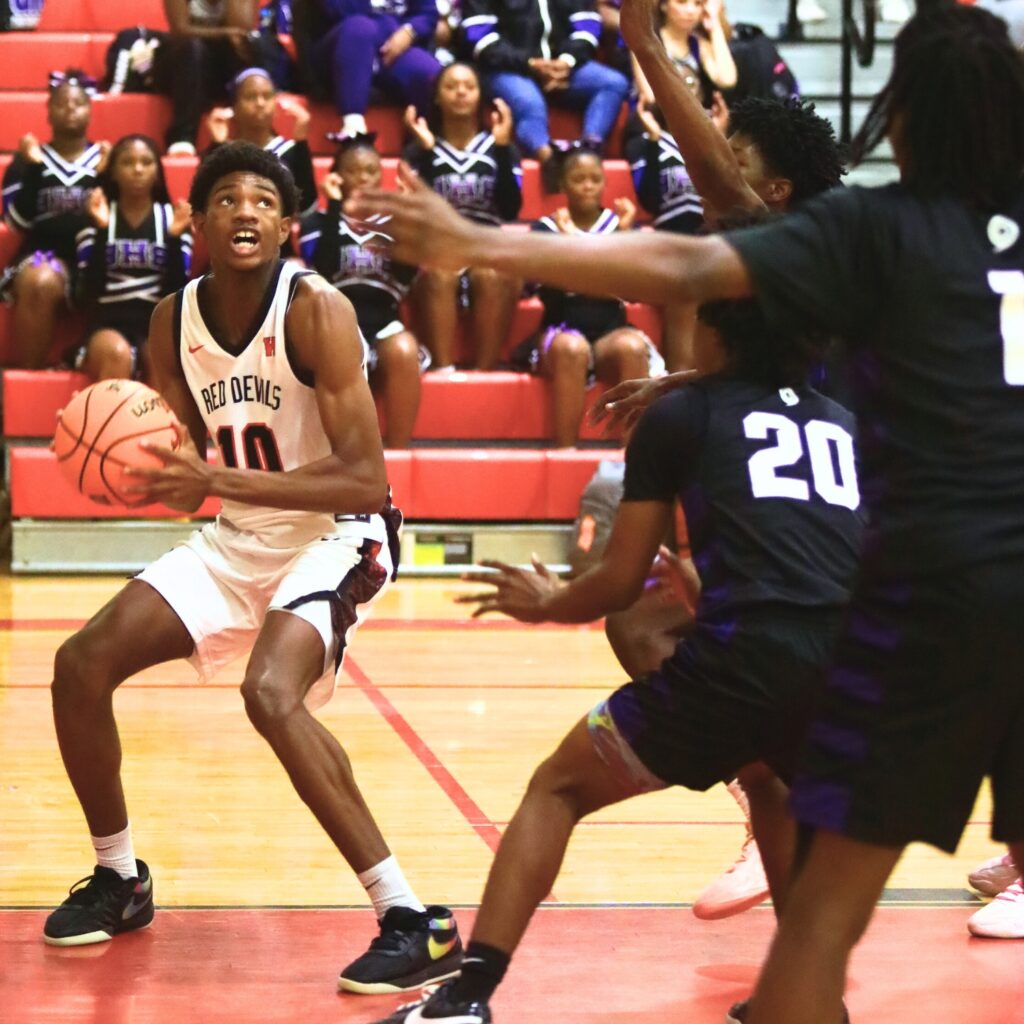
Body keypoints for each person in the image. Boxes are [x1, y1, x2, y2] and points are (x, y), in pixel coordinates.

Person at [346, 5, 1024, 1021]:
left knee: (819, 929)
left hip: (926, 602)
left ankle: (751, 822)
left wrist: (479, 237)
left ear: (903, 118)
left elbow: (691, 262)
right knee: (660, 627)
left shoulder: (878, 228)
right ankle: (766, 795)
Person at [356, 204, 863, 1024]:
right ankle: (811, 1002)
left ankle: (467, 996)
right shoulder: (842, 425)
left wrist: (549, 601)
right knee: (773, 780)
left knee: (556, 788)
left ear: (712, 328)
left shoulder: (682, 416)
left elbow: (619, 581)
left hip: (746, 662)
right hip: (850, 672)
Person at [43, 142, 463, 998]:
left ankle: (411, 921)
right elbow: (187, 475)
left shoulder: (318, 309)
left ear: (288, 224)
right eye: (226, 198)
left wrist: (211, 480)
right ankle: (121, 881)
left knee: (270, 693)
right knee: (79, 666)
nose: (246, 210)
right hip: (240, 535)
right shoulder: (169, 322)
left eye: (264, 199)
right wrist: (138, 472)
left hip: (342, 533)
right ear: (194, 223)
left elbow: (365, 476)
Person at [513, 147, 662, 448]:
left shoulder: (621, 228)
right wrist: (602, 275)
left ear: (605, 183)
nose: (587, 186)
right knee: (572, 348)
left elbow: (633, 289)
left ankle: (634, 456)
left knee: (632, 347)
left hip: (611, 330)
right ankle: (565, 450)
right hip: (561, 330)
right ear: (563, 184)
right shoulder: (545, 229)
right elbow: (529, 285)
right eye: (578, 179)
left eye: (595, 179)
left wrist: (577, 262)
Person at [300, 137, 426, 448]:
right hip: (336, 323)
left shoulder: (393, 224)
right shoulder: (317, 221)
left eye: (370, 170)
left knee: (404, 350)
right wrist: (333, 209)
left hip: (384, 319)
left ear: (380, 176)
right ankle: (339, 455)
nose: (362, 177)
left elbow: (406, 275)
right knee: (332, 349)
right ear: (336, 176)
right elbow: (324, 269)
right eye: (353, 171)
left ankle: (398, 452)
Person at [404, 62, 523, 371]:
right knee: (439, 274)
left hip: (485, 242)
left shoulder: (500, 145)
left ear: (480, 96)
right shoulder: (419, 150)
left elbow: (511, 209)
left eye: (469, 87)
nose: (460, 93)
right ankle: (444, 369)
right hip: (437, 245)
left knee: (490, 274)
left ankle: (485, 371)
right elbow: (417, 210)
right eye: (451, 86)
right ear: (437, 97)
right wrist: (429, 154)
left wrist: (501, 147)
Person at [1, 70, 107, 369]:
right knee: (40, 279)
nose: (70, 108)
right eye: (62, 103)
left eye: (78, 103)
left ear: (90, 110)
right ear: (48, 111)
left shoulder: (109, 159)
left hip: (96, 258)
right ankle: (28, 380)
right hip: (40, 255)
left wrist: (106, 176)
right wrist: (34, 169)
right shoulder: (27, 160)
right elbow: (16, 224)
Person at [461, 0, 630, 184]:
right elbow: (479, 36)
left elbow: (588, 24)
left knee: (613, 83)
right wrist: (529, 64)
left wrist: (567, 61)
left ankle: (587, 151)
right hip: (507, 68)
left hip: (563, 67)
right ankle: (550, 161)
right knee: (529, 101)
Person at [73, 135, 193, 382]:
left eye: (146, 162)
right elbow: (85, 295)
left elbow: (178, 294)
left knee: (161, 358)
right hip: (107, 323)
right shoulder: (97, 216)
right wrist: (103, 231)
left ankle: (162, 423)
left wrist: (172, 238)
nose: (137, 169)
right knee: (118, 355)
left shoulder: (174, 219)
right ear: (114, 172)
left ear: (157, 172)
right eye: (127, 162)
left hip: (156, 325)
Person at [155, 0, 289, 155]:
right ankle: (182, 137)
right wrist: (224, 33)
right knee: (193, 48)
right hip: (180, 64)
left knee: (250, 45)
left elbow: (241, 29)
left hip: (215, 65)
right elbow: (180, 30)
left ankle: (254, 133)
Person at [296, 0, 441, 141]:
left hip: (394, 45)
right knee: (360, 27)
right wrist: (389, 27)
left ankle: (422, 145)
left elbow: (428, 13)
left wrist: (410, 30)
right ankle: (353, 127)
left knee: (430, 73)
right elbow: (340, 11)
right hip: (341, 46)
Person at [206, 66, 317, 218]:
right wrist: (217, 146)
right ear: (234, 106)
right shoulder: (225, 152)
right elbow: (206, 205)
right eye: (251, 97)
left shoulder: (290, 150)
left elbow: (306, 209)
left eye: (267, 96)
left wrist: (302, 145)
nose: (260, 103)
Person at [630, 0, 737, 109]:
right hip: (651, 117)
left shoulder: (698, 44)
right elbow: (651, 97)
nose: (690, 11)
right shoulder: (645, 41)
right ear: (664, 5)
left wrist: (714, 25)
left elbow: (727, 79)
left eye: (698, 4)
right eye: (681, 2)